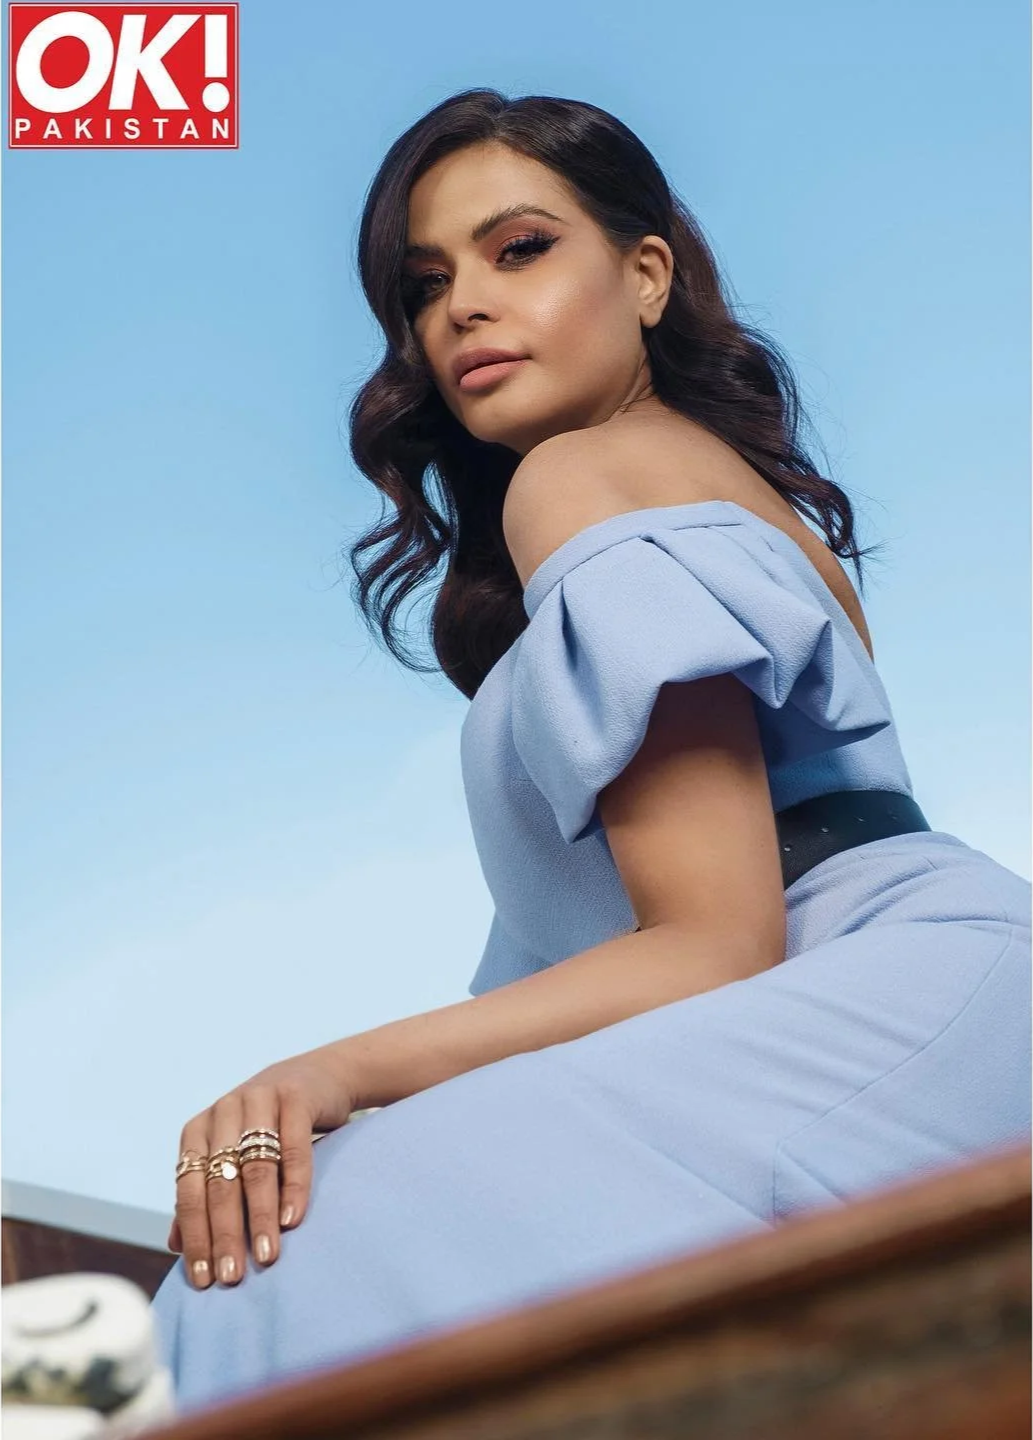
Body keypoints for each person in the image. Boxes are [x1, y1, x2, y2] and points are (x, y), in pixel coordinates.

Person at [151, 88, 1031, 1410]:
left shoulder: (581, 477)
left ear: (647, 273)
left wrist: (324, 1071)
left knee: (285, 1261)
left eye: (518, 250)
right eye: (425, 283)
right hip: (921, 988)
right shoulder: (701, 479)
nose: (461, 309)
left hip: (862, 992)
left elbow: (714, 934)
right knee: (297, 1251)